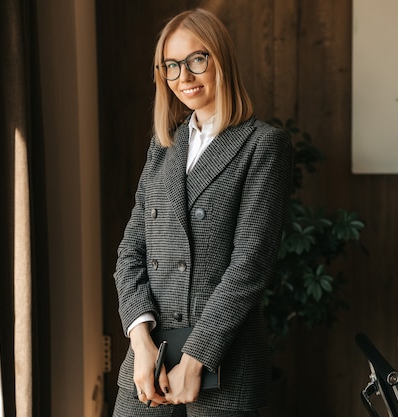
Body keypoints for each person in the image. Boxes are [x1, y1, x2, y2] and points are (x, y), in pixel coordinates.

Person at [111, 8, 293, 417]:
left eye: (197, 60)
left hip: (224, 366)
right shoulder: (164, 147)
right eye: (171, 66)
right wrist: (140, 342)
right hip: (148, 364)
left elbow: (251, 264)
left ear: (221, 60)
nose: (184, 77)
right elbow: (130, 254)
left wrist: (197, 357)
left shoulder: (263, 145)